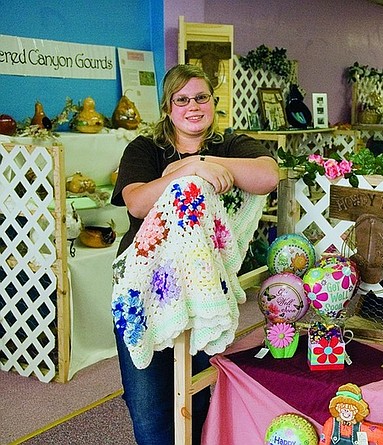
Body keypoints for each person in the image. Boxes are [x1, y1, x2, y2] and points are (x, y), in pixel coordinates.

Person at [111, 64, 279, 445]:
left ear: (213, 103)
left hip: (204, 286)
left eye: (201, 97)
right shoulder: (145, 149)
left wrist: (199, 162)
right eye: (181, 99)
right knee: (149, 405)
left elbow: (268, 176)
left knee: (199, 398)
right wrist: (186, 172)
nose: (193, 106)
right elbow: (136, 203)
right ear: (168, 108)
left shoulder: (230, 145)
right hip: (145, 287)